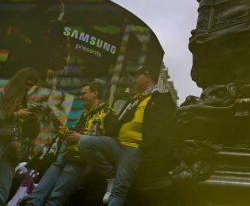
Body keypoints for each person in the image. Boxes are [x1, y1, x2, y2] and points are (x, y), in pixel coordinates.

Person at [79, 65, 176, 206]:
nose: (133, 80)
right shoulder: (134, 100)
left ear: (147, 76)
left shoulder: (161, 99)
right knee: (85, 143)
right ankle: (110, 176)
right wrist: (104, 135)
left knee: (119, 190)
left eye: (136, 76)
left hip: (133, 149)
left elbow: (162, 127)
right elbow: (119, 121)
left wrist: (144, 148)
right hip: (116, 143)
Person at [25, 82, 117, 206]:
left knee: (55, 199)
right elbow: (73, 137)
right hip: (64, 157)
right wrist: (63, 131)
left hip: (79, 162)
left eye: (84, 93)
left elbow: (109, 142)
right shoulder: (84, 113)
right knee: (36, 195)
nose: (80, 96)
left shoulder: (109, 113)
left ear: (95, 93)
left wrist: (82, 138)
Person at [0, 67, 39, 202]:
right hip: (1, 143)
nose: (27, 88)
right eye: (26, 84)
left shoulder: (24, 102)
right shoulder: (2, 94)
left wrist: (33, 120)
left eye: (31, 85)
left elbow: (32, 133)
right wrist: (16, 115)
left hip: (11, 152)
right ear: (19, 81)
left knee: (3, 190)